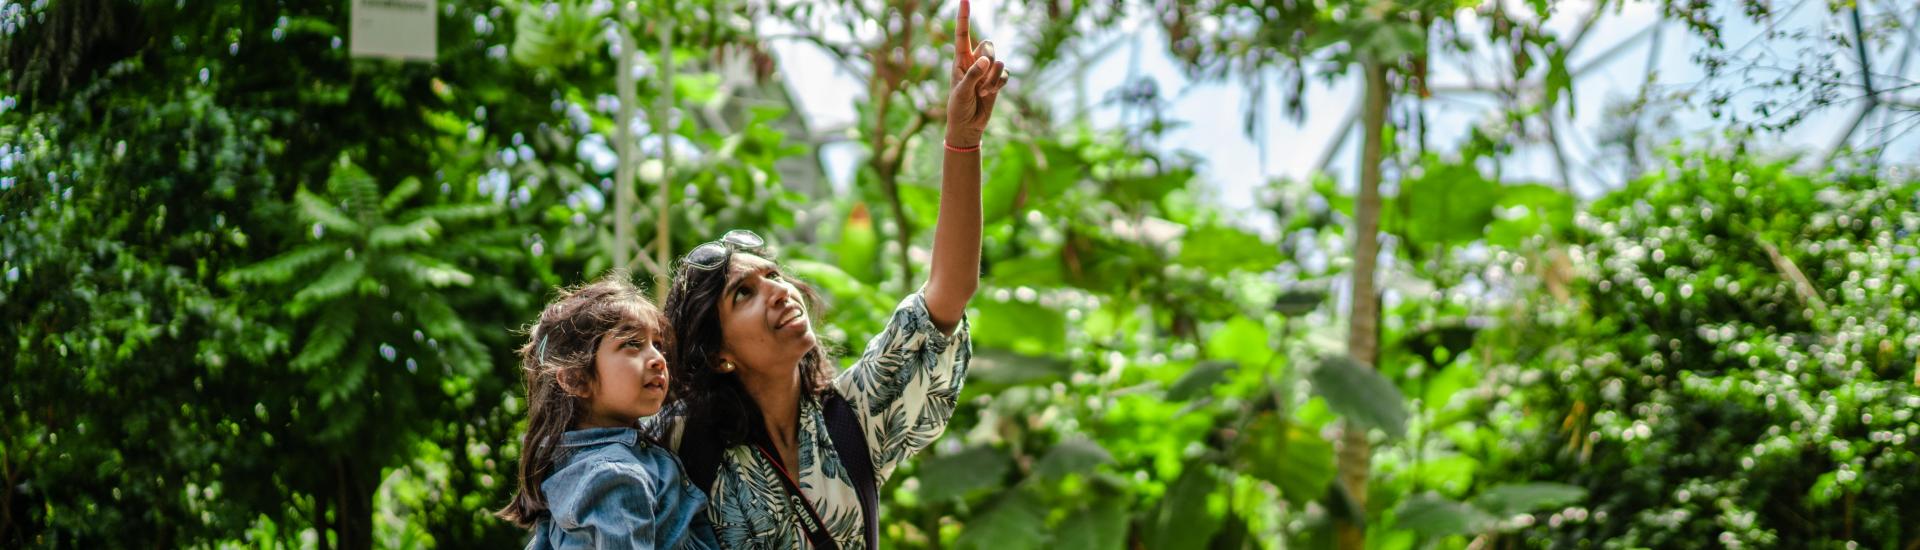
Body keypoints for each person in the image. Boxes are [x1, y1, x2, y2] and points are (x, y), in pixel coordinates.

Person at [646, 1, 1010, 547]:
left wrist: (963, 138)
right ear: (719, 353)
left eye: (773, 275)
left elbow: (947, 295)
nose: (777, 290)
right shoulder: (677, 448)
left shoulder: (852, 418)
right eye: (744, 293)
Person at [498, 274, 721, 549]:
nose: (657, 359)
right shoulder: (614, 475)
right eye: (631, 343)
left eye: (658, 344)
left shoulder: (575, 467)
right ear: (575, 379)